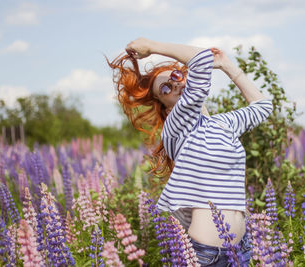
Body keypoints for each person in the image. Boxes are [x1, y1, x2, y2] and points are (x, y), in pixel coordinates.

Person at [108, 38, 273, 266]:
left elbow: (263, 107)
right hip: (208, 253)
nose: (174, 86)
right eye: (165, 88)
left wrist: (227, 65)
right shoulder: (177, 126)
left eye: (175, 77)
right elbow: (202, 60)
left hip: (242, 247)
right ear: (164, 105)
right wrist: (152, 47)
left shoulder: (221, 124)